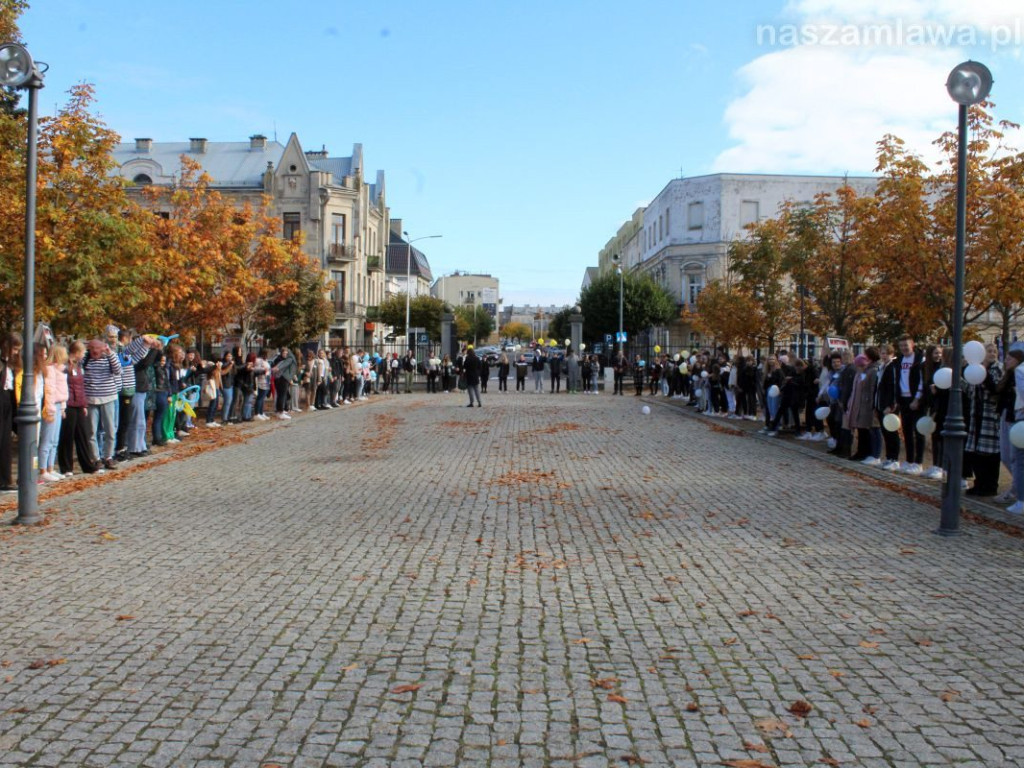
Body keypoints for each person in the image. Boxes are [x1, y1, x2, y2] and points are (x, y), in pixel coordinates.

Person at [58, 340, 104, 477]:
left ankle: (88, 465)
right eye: (83, 352)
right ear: (76, 352)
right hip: (69, 404)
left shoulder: (79, 366)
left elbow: (81, 387)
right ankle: (66, 467)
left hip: (79, 404)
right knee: (67, 436)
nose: (84, 355)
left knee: (82, 435)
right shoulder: (65, 367)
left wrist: (84, 404)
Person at [965, 343, 1003, 497]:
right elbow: (970, 389)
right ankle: (979, 482)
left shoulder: (997, 369)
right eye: (989, 351)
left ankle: (990, 485)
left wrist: (984, 374)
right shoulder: (976, 368)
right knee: (975, 452)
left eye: (994, 351)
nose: (992, 353)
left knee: (990, 454)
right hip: (977, 414)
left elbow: (995, 390)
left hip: (990, 415)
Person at [84, 338, 122, 469]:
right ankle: (95, 458)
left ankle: (108, 456)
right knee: (91, 431)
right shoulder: (85, 360)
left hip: (108, 397)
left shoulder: (109, 358)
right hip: (91, 399)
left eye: (97, 349)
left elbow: (118, 370)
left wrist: (110, 353)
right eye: (92, 348)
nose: (94, 351)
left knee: (110, 430)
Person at [39, 344, 69, 482]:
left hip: (58, 405)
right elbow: (50, 390)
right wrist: (50, 410)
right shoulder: (50, 370)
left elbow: (62, 389)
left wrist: (62, 407)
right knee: (47, 439)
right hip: (51, 406)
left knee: (54, 440)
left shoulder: (61, 370)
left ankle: (50, 467)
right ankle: (43, 469)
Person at [895, 335, 926, 474]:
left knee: (918, 432)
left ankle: (918, 462)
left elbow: (921, 380)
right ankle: (909, 460)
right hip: (903, 399)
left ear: (912, 344)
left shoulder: (920, 359)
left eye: (906, 345)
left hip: (916, 400)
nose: (904, 348)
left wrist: (917, 399)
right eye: (901, 346)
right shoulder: (899, 360)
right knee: (906, 431)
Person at [0, 333, 19, 490]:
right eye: (14, 348)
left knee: (5, 442)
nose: (16, 352)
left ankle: (6, 479)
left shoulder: (8, 363)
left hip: (6, 401)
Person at [271, 347, 296, 419]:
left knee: (283, 395)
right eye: (284, 353)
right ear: (281, 353)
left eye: (287, 353)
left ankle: (281, 410)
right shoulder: (279, 360)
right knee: (281, 395)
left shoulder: (285, 360)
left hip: (283, 379)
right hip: (281, 379)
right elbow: (278, 369)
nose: (286, 354)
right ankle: (280, 411)